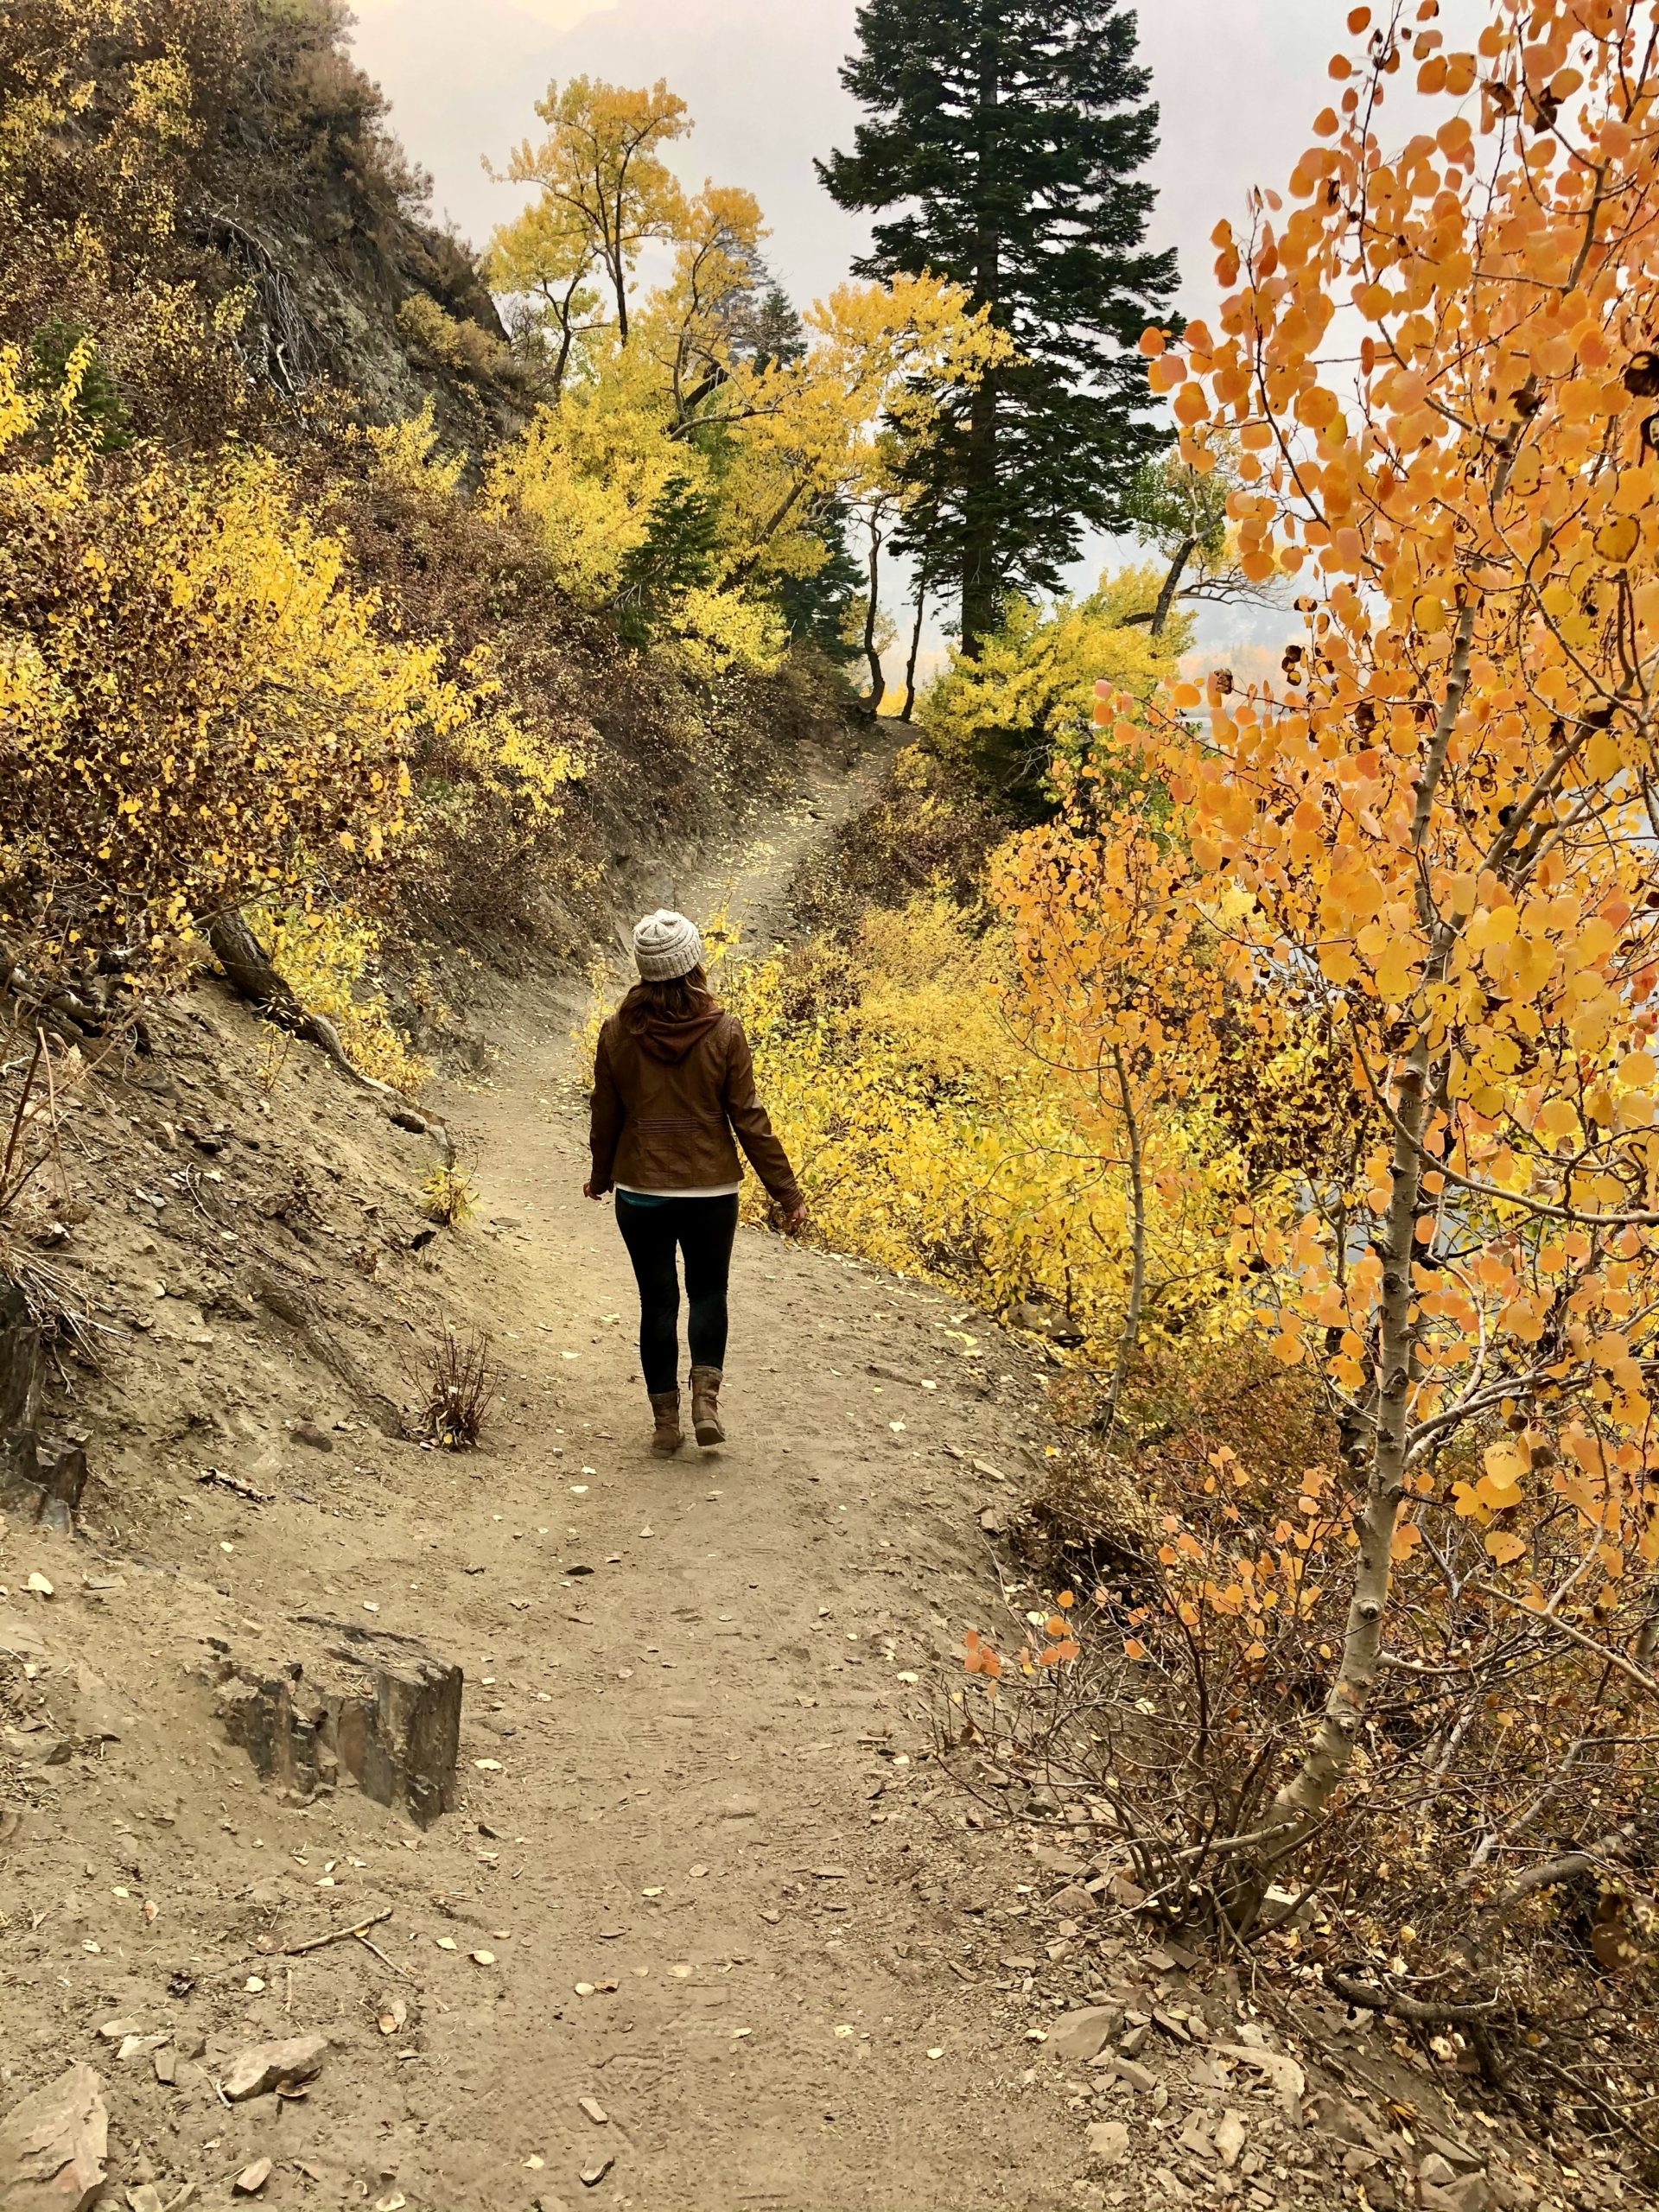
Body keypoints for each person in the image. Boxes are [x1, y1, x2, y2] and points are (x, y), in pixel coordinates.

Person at [585, 909, 807, 1456]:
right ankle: (705, 1401)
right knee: (709, 1292)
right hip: (711, 1192)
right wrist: (787, 1192)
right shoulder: (725, 1031)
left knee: (656, 1303)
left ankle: (665, 1424)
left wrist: (600, 1173)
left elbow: (605, 1113)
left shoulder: (616, 1033)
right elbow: (749, 1118)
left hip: (641, 1191)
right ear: (694, 965)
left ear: (645, 970)